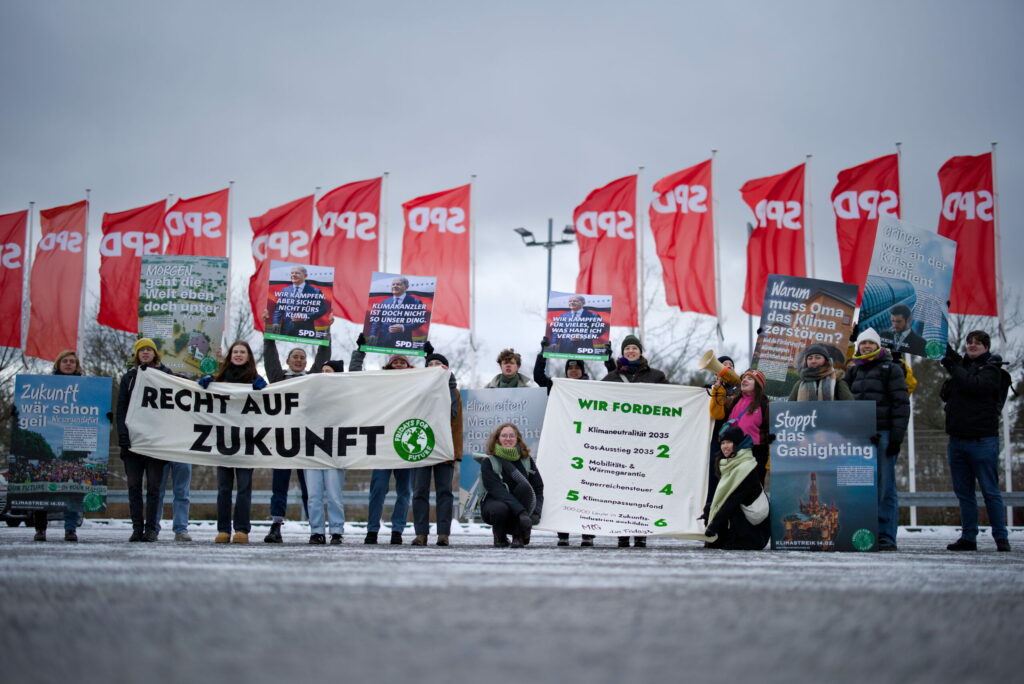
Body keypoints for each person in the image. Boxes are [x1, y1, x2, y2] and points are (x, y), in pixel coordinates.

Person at [940, 331, 1011, 552]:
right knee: (964, 494)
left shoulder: (993, 369)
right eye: (970, 342)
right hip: (957, 440)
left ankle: (1001, 538)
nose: (972, 345)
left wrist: (954, 367)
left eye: (978, 343)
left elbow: (976, 386)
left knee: (990, 491)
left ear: (986, 347)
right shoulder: (962, 367)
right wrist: (945, 346)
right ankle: (968, 537)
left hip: (983, 441)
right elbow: (948, 392)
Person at [261, 332, 332, 543]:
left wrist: (325, 330)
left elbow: (323, 355)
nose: (299, 360)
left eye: (302, 357)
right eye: (295, 357)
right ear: (287, 361)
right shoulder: (278, 379)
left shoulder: (313, 378)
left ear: (306, 362)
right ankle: (276, 526)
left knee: (310, 488)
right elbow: (269, 358)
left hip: (308, 442)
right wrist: (269, 333)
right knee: (279, 487)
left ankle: (315, 528)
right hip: (284, 441)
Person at [844, 327, 910, 552]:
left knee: (885, 488)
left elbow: (901, 404)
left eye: (871, 343)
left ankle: (886, 536)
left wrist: (896, 438)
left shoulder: (891, 369)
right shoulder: (853, 372)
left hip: (883, 435)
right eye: (863, 343)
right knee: (857, 486)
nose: (867, 347)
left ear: (878, 346)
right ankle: (862, 531)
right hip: (859, 438)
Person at [198, 341, 267, 544]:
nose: (238, 355)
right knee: (224, 488)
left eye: (242, 352)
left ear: (248, 356)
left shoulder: (255, 379)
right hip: (224, 441)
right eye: (235, 352)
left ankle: (242, 530)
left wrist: (264, 390)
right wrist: (204, 385)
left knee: (244, 488)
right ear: (230, 356)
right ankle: (223, 530)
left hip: (247, 441)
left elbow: (268, 406)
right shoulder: (219, 378)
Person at [603, 335, 667, 548]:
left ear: (640, 351)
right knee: (620, 486)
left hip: (646, 442)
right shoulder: (611, 378)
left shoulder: (657, 376)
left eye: (634, 348)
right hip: (619, 441)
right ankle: (622, 531)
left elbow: (670, 402)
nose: (631, 351)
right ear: (622, 352)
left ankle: (641, 532)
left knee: (643, 485)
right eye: (627, 348)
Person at [351, 334, 414, 544]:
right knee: (378, 489)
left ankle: (397, 531)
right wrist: (360, 351)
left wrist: (430, 355)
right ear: (389, 365)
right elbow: (354, 379)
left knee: (404, 491)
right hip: (382, 443)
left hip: (406, 442)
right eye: (395, 361)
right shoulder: (379, 382)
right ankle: (372, 530)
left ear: (409, 366)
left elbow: (439, 380)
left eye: (402, 362)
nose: (398, 364)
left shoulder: (417, 383)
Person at [533, 339, 595, 547]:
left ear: (583, 370)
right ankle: (563, 532)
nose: (574, 370)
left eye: (578, 367)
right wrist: (543, 353)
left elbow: (614, 384)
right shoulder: (558, 385)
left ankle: (587, 532)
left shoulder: (594, 387)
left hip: (587, 444)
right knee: (562, 487)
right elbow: (538, 377)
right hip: (564, 444)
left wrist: (609, 359)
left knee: (587, 489)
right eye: (571, 367)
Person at [116, 339, 174, 542]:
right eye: (142, 350)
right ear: (137, 354)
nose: (145, 352)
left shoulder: (165, 377)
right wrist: (123, 437)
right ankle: (136, 528)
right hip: (133, 442)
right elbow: (121, 408)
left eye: (149, 349)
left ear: (155, 354)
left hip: (155, 443)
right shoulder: (129, 378)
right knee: (133, 487)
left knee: (154, 488)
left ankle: (151, 529)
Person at [31, 350, 86, 542]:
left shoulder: (86, 387)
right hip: (51, 438)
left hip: (74, 440)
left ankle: (70, 529)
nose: (69, 364)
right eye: (65, 361)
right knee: (43, 491)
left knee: (71, 491)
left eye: (72, 361)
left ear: (77, 365)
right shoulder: (45, 386)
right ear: (58, 363)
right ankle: (40, 529)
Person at [411, 342, 462, 547]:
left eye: (438, 363)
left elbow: (451, 416)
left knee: (444, 491)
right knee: (419, 491)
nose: (433, 366)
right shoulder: (418, 389)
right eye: (430, 363)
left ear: (445, 369)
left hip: (443, 447)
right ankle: (421, 533)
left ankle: (443, 533)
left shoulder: (453, 391)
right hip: (421, 446)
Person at [701, 425, 770, 550]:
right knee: (710, 507)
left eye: (729, 442)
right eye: (723, 442)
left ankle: (728, 539)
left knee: (728, 508)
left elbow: (731, 501)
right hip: (741, 520)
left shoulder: (746, 468)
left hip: (755, 534)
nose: (725, 446)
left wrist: (712, 527)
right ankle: (719, 539)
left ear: (738, 444)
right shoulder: (729, 464)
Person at [476, 423, 544, 548]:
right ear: (498, 439)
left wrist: (536, 512)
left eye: (512, 435)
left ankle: (518, 536)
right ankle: (499, 536)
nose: (508, 439)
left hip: (521, 504)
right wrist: (522, 513)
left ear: (517, 438)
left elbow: (538, 488)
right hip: (494, 503)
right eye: (504, 436)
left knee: (524, 488)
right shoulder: (489, 462)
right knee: (500, 508)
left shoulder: (527, 461)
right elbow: (497, 491)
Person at [709, 368, 770, 485]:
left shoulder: (765, 405)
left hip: (755, 453)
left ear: (758, 384)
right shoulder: (732, 401)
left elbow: (772, 432)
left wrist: (770, 458)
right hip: (732, 452)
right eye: (744, 378)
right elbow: (716, 414)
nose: (744, 380)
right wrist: (717, 390)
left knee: (751, 492)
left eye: (750, 379)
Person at [366, 276, 428, 349]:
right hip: (383, 341)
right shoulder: (385, 302)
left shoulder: (415, 302)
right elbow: (377, 320)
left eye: (398, 284)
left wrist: (403, 327)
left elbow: (420, 320)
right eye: (393, 284)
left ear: (406, 287)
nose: (395, 286)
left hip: (403, 342)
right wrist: (372, 334)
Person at [270, 265, 329, 339]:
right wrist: (275, 322)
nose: (293, 275)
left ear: (305, 276)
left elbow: (322, 310)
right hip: (286, 330)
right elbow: (279, 309)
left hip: (306, 330)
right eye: (292, 273)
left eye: (297, 273)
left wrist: (305, 316)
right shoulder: (285, 290)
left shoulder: (315, 292)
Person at [787, 343, 854, 401]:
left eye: (818, 358)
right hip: (805, 416)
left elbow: (849, 405)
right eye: (810, 358)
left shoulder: (837, 382)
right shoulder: (800, 384)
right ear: (806, 362)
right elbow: (790, 406)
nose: (813, 361)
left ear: (826, 361)